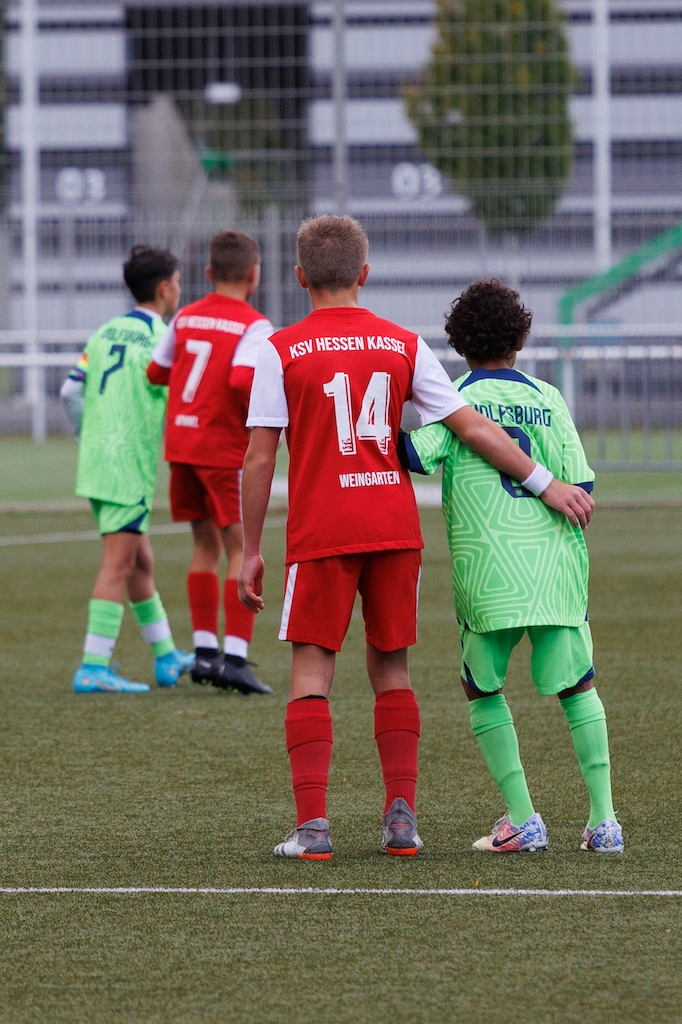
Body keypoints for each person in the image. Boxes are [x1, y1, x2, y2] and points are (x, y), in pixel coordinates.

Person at [238, 215, 593, 861]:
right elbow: (472, 427)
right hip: (394, 528)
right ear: (364, 273)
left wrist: (250, 550)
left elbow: (260, 458)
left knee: (312, 669)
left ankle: (313, 829)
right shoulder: (403, 343)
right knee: (392, 668)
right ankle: (401, 823)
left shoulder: (280, 348)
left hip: (323, 528)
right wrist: (545, 483)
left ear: (300, 277)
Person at [401, 279, 622, 853]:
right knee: (579, 688)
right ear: (521, 338)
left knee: (482, 688)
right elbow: (582, 485)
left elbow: (413, 455)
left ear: (458, 343)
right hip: (554, 569)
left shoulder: (453, 401)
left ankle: (523, 819)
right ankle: (604, 822)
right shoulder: (549, 397)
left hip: (489, 571)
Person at [60, 245, 193, 694]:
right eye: (178, 283)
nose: (179, 291)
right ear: (164, 288)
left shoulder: (104, 332)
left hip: (98, 460)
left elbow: (69, 391)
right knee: (118, 565)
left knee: (139, 561)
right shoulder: (162, 338)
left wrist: (87, 435)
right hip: (128, 464)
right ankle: (93, 666)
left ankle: (166, 656)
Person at [146, 231, 273, 696]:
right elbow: (241, 380)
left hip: (183, 446)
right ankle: (234, 660)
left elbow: (155, 371)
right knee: (242, 549)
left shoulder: (185, 316)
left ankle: (203, 654)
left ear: (208, 273)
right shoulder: (254, 325)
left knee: (205, 546)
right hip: (222, 449)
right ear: (254, 275)